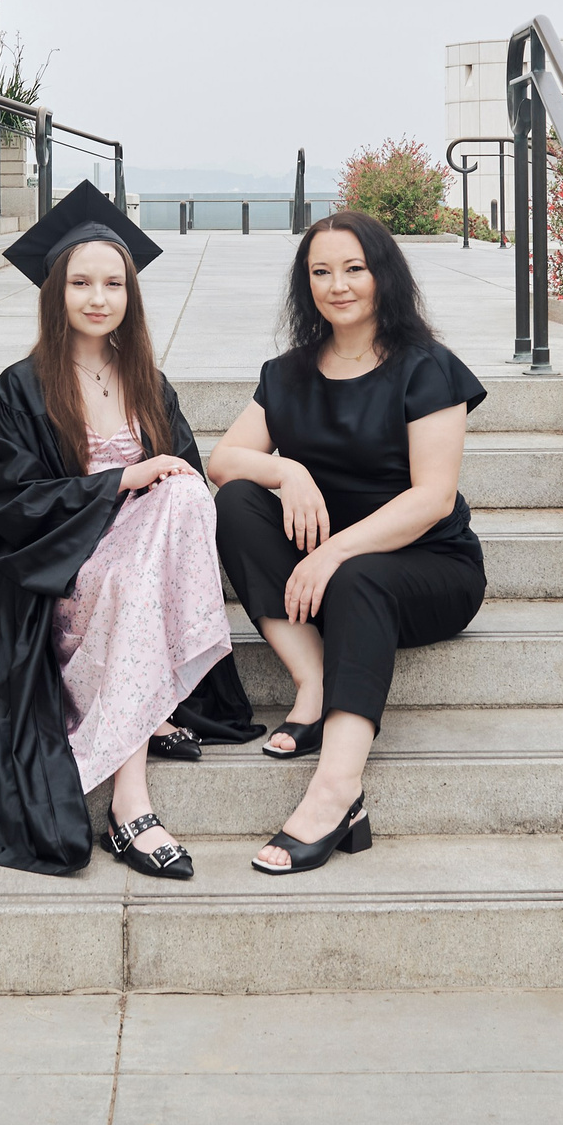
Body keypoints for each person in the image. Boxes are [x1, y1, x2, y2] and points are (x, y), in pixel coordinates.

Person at [0, 182, 262, 879]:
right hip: (62, 578)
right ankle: (130, 803)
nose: (99, 297)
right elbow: (8, 505)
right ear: (55, 292)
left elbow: (184, 492)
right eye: (81, 283)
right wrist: (118, 482)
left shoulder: (147, 380)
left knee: (188, 494)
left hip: (139, 579)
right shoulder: (20, 389)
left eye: (113, 283)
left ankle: (139, 733)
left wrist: (159, 483)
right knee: (148, 533)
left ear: (131, 293)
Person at [208, 210, 489, 875]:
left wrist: (333, 552)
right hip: (329, 573)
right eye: (321, 272)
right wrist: (286, 469)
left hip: (429, 569)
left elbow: (433, 498)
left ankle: (337, 791)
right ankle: (312, 680)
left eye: (354, 268)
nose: (338, 285)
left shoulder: (428, 368)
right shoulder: (287, 373)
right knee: (236, 501)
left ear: (383, 275)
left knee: (361, 574)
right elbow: (223, 458)